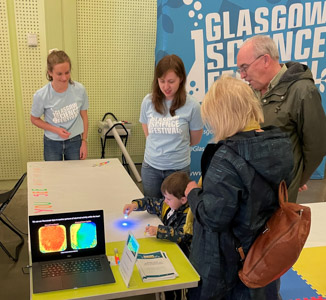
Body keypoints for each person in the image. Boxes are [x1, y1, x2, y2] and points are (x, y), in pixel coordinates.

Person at [185, 75, 294, 300]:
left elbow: (213, 217)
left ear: (223, 115)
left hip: (227, 263)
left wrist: (193, 193)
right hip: (264, 252)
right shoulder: (279, 144)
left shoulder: (226, 158)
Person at [237, 35, 326, 203]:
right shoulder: (249, 93)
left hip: (279, 194)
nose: (242, 75)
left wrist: (298, 178)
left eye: (245, 68)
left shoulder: (303, 91)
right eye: (240, 70)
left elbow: (316, 147)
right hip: (252, 189)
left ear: (265, 60)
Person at [139, 54, 203, 198]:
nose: (166, 87)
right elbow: (147, 130)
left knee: (176, 213)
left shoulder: (192, 105)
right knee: (151, 207)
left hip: (178, 169)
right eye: (162, 81)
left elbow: (195, 140)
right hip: (151, 168)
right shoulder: (147, 101)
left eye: (171, 81)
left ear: (181, 79)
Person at [31, 49, 89, 161]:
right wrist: (56, 130)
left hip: (75, 141)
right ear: (50, 72)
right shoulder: (41, 95)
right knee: (53, 175)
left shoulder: (80, 89)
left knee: (75, 174)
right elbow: (34, 119)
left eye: (67, 72)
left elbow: (84, 117)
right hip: (52, 142)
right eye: (59, 74)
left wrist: (84, 141)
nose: (64, 78)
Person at [123, 171, 193, 257]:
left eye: (168, 199)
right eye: (164, 197)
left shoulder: (189, 215)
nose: (165, 201)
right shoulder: (168, 205)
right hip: (167, 246)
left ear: (183, 200)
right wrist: (135, 205)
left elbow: (182, 235)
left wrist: (159, 231)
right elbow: (151, 202)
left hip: (182, 253)